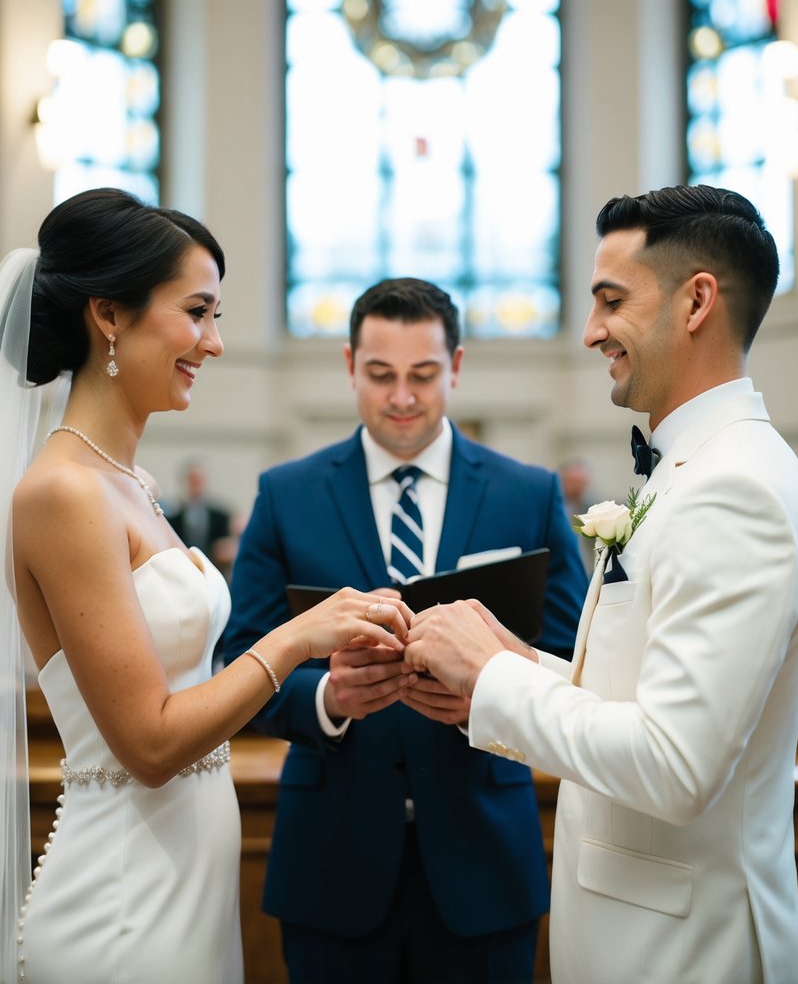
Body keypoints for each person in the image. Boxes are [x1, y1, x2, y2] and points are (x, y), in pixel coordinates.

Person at [0, 189, 411, 984]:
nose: (214, 343)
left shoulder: (129, 484)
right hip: (122, 897)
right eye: (198, 311)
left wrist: (333, 680)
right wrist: (295, 638)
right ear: (109, 315)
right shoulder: (63, 493)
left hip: (183, 879)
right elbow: (148, 744)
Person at [404, 186, 798, 984]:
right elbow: (646, 695)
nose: (590, 332)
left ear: (697, 300)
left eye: (611, 300)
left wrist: (494, 680)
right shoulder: (694, 470)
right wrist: (515, 666)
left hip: (687, 952)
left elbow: (673, 765)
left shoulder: (739, 491)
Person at [224, 277, 588, 984]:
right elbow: (239, 660)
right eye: (380, 375)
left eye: (422, 375)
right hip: (332, 860)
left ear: (455, 367)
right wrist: (328, 700)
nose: (401, 397)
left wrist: (492, 696)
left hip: (483, 860)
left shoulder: (528, 493)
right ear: (348, 366)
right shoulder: (287, 494)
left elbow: (574, 659)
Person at [167, 460, 233, 560]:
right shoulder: (173, 520)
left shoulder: (221, 517)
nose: (196, 484)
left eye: (199, 480)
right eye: (192, 480)